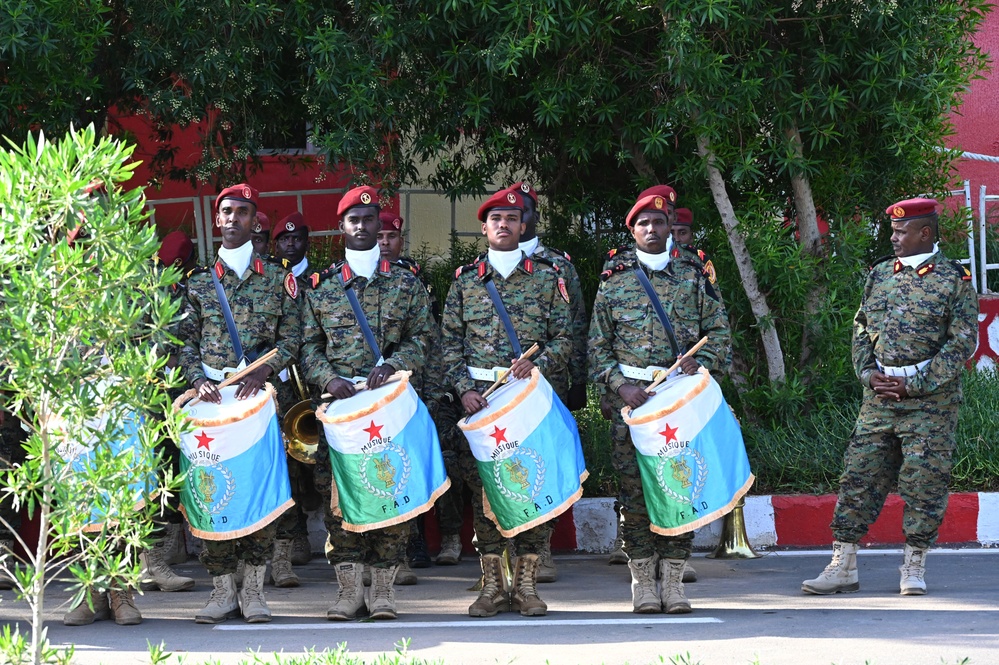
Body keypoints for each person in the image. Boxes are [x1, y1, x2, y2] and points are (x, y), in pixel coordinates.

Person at [802, 197, 978, 597]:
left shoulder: (954, 279)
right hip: (879, 399)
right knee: (858, 478)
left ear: (925, 233)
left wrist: (914, 384)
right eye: (893, 231)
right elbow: (861, 328)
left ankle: (914, 566)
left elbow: (962, 343)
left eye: (901, 232)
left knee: (923, 482)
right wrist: (868, 374)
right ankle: (842, 564)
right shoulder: (880, 274)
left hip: (929, 403)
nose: (894, 238)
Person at [588, 192, 731, 614]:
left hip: (679, 406)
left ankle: (674, 582)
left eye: (660, 223)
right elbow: (597, 347)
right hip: (635, 408)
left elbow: (719, 334)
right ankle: (643, 584)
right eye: (643, 224)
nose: (652, 230)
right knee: (635, 497)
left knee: (678, 489)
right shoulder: (614, 280)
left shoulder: (693, 274)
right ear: (631, 230)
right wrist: (619, 387)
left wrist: (697, 364)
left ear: (671, 228)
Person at [299, 185, 435, 621]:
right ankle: (347, 591)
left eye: (369, 219)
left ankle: (382, 593)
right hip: (340, 413)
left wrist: (395, 364)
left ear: (380, 225)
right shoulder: (319, 287)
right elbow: (307, 345)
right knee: (340, 498)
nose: (362, 226)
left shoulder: (406, 282)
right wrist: (328, 377)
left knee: (390, 492)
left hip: (389, 407)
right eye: (353, 220)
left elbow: (424, 337)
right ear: (341, 227)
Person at [439, 189, 572, 617]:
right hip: (482, 407)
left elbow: (565, 337)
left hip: (528, 405)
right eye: (496, 218)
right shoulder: (465, 281)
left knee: (530, 487)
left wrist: (538, 366)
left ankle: (527, 586)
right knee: (485, 497)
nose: (503, 224)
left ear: (523, 225)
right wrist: (464, 390)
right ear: (484, 227)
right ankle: (493, 586)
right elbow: (448, 344)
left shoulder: (547, 277)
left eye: (512, 218)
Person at [177, 183, 302, 624]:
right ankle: (221, 591)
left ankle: (253, 592)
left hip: (257, 402)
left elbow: (294, 337)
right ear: (217, 220)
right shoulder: (197, 283)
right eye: (226, 211)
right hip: (210, 405)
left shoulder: (277, 278)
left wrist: (266, 370)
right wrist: (195, 379)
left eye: (242, 212)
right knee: (213, 492)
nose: (233, 219)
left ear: (254, 222)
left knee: (257, 493)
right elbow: (183, 340)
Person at [502, 181, 588, 583]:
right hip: (497, 390)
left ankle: (543, 549)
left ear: (533, 217)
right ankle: (502, 557)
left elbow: (576, 324)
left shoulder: (559, 265)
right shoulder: (484, 271)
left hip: (544, 385)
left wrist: (579, 381)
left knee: (541, 464)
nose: (521, 218)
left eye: (526, 211)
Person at [268, 211, 318, 587]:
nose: (290, 244)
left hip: (317, 383)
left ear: (306, 241)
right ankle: (296, 536)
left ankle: (335, 530)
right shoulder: (269, 279)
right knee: (287, 463)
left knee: (320, 462)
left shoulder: (319, 281)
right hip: (282, 384)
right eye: (283, 240)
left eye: (296, 238)